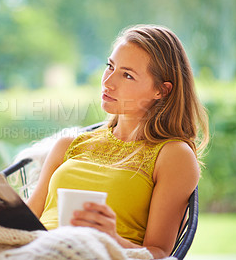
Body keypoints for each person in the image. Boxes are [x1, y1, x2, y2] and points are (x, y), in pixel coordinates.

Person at [27, 24, 209, 259]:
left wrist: (111, 238)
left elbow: (160, 253)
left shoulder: (173, 155)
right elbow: (25, 222)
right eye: (110, 67)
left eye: (127, 75)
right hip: (36, 249)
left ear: (162, 91)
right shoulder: (69, 144)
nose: (108, 82)